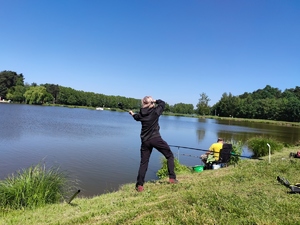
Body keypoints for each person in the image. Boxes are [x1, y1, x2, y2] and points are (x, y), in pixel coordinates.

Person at [129, 96, 178, 192]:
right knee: (169, 156)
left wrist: (132, 113)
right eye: (152, 100)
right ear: (151, 103)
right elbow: (163, 103)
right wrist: (155, 100)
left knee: (144, 163)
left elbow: (136, 117)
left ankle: (140, 185)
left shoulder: (141, 114)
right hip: (156, 139)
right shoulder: (155, 111)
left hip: (145, 141)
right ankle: (172, 178)